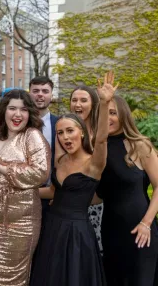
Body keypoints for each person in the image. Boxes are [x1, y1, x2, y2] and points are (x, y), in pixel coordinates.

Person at [31, 72, 117, 286]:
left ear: (82, 133)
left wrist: (104, 104)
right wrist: (20, 190)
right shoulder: (60, 161)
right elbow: (52, 191)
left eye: (70, 131)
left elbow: (102, 139)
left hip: (77, 233)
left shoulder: (93, 164)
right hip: (52, 227)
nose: (65, 137)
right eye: (60, 133)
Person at [0, 89, 50, 285]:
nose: (17, 114)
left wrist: (3, 169)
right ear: (4, 110)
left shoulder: (32, 136)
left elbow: (41, 173)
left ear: (29, 113)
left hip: (18, 224)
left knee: (10, 278)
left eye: (23, 110)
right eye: (12, 108)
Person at [96, 95, 158, 285]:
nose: (108, 118)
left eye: (113, 113)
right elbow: (97, 195)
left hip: (141, 231)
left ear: (124, 115)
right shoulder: (96, 149)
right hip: (111, 231)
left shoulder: (139, 145)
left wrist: (146, 223)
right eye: (104, 113)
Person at [70, 85, 104, 252]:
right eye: (74, 100)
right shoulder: (65, 132)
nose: (78, 104)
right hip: (71, 207)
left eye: (84, 100)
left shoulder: (101, 134)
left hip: (97, 206)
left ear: (93, 104)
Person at [29, 76, 58, 218]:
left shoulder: (61, 124)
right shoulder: (19, 123)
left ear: (51, 95)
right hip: (24, 197)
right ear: (29, 94)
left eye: (45, 91)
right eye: (36, 90)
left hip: (53, 197)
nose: (40, 94)